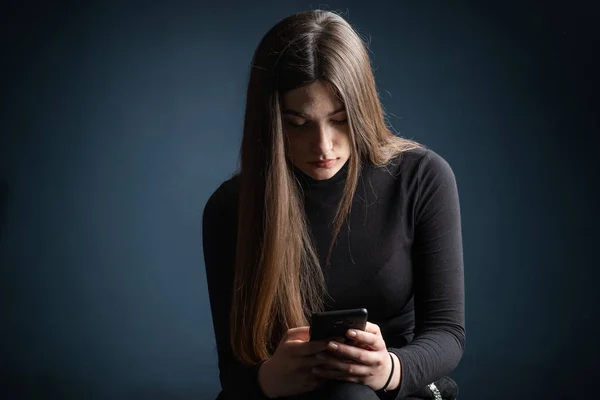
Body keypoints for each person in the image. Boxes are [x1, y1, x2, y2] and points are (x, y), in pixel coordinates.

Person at [202, 9, 465, 400]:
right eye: (297, 123)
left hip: (394, 388)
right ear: (271, 123)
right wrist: (268, 379)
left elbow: (447, 334)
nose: (323, 146)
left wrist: (390, 368)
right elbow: (234, 369)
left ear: (361, 109)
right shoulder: (231, 207)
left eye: (339, 119)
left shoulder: (421, 178)